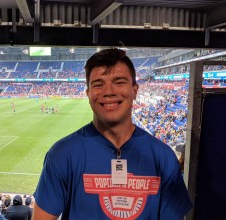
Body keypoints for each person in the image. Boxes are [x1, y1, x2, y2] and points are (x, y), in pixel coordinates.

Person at [32, 48, 193, 220]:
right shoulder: (62, 154)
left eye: (119, 82)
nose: (108, 91)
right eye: (98, 84)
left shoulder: (163, 158)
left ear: (135, 90)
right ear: (88, 93)